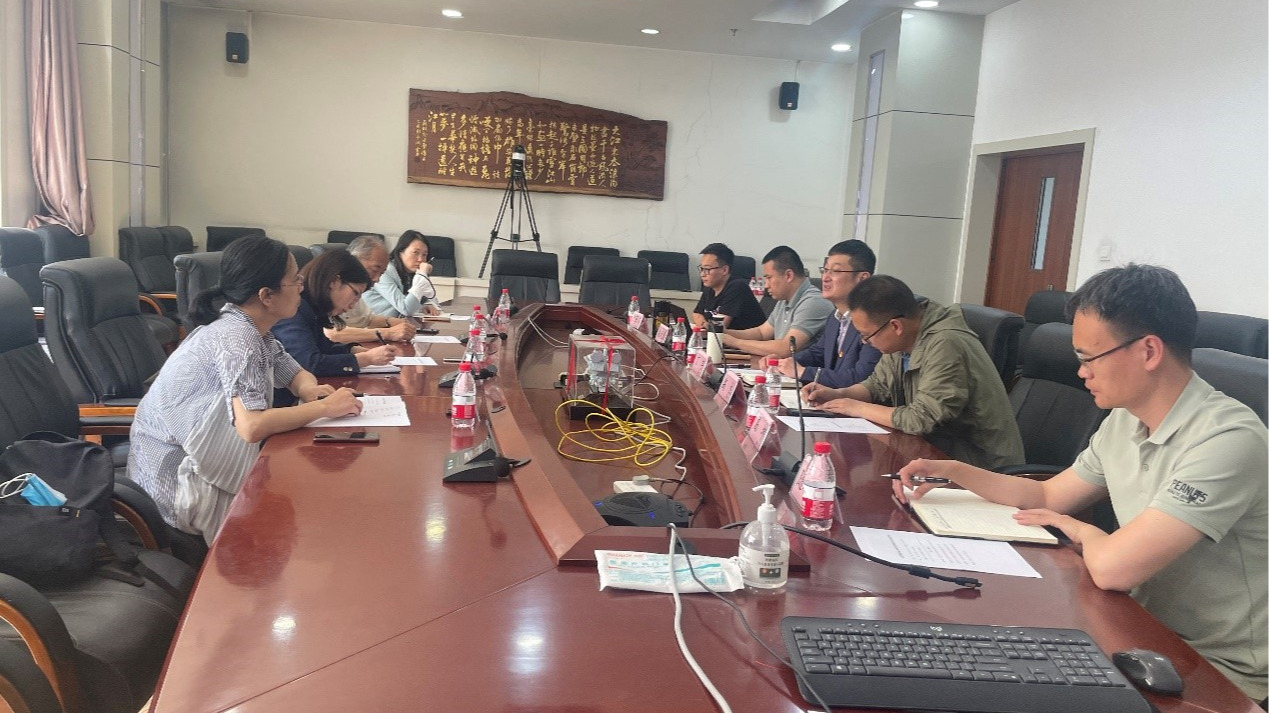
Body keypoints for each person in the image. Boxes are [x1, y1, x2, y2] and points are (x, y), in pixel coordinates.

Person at [894, 264, 1267, 703]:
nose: (1081, 373)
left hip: (1217, 669)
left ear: (1149, 351)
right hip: (1138, 627)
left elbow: (1114, 569)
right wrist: (957, 473)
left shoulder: (1227, 440)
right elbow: (1048, 494)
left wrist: (1083, 531)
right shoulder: (1125, 419)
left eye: (1090, 358)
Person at [127, 235, 363, 551]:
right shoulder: (238, 339)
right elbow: (251, 426)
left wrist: (308, 390)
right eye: (295, 280)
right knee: (311, 519)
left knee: (311, 503)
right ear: (266, 296)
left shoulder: (252, 328)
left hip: (205, 465)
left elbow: (293, 371)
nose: (302, 287)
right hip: (177, 486)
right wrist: (325, 408)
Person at [805, 275, 1024, 469]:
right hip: (933, 453)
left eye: (866, 336)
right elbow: (877, 385)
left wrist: (857, 408)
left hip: (978, 466)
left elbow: (921, 419)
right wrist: (839, 394)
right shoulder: (903, 338)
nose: (865, 342)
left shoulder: (946, 344)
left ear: (895, 326)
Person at [271, 249, 401, 384]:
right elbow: (309, 363)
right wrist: (366, 359)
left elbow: (323, 347)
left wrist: (352, 350)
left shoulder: (312, 308)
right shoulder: (295, 309)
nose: (353, 305)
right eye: (355, 293)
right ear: (334, 282)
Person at [780, 239, 881, 388]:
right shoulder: (835, 317)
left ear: (862, 279)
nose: (825, 278)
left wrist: (803, 372)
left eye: (835, 271)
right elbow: (818, 353)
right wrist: (785, 363)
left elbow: (861, 378)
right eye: (825, 270)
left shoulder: (875, 321)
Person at [721, 245, 834, 358]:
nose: (766, 285)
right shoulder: (785, 299)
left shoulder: (813, 302)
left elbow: (786, 348)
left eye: (769, 277)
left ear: (788, 275)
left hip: (801, 368)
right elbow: (761, 333)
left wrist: (736, 343)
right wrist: (723, 333)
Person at [325, 235, 415, 345]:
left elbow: (367, 319)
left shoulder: (357, 290)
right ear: (354, 260)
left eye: (381, 273)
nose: (377, 279)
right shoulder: (332, 286)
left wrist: (391, 321)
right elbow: (331, 333)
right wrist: (386, 333)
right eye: (374, 270)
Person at [363, 230, 442, 318]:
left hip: (394, 324)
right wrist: (422, 275)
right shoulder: (385, 272)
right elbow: (406, 309)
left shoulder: (410, 274)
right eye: (415, 253)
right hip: (371, 324)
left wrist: (425, 305)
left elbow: (429, 301)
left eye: (424, 255)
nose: (420, 259)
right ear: (400, 252)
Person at [689, 243, 766, 331]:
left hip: (749, 339)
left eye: (707, 269)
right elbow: (696, 314)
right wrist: (704, 324)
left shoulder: (737, 287)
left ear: (724, 270)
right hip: (724, 338)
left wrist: (704, 325)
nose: (702, 274)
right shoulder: (709, 287)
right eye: (701, 268)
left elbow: (719, 327)